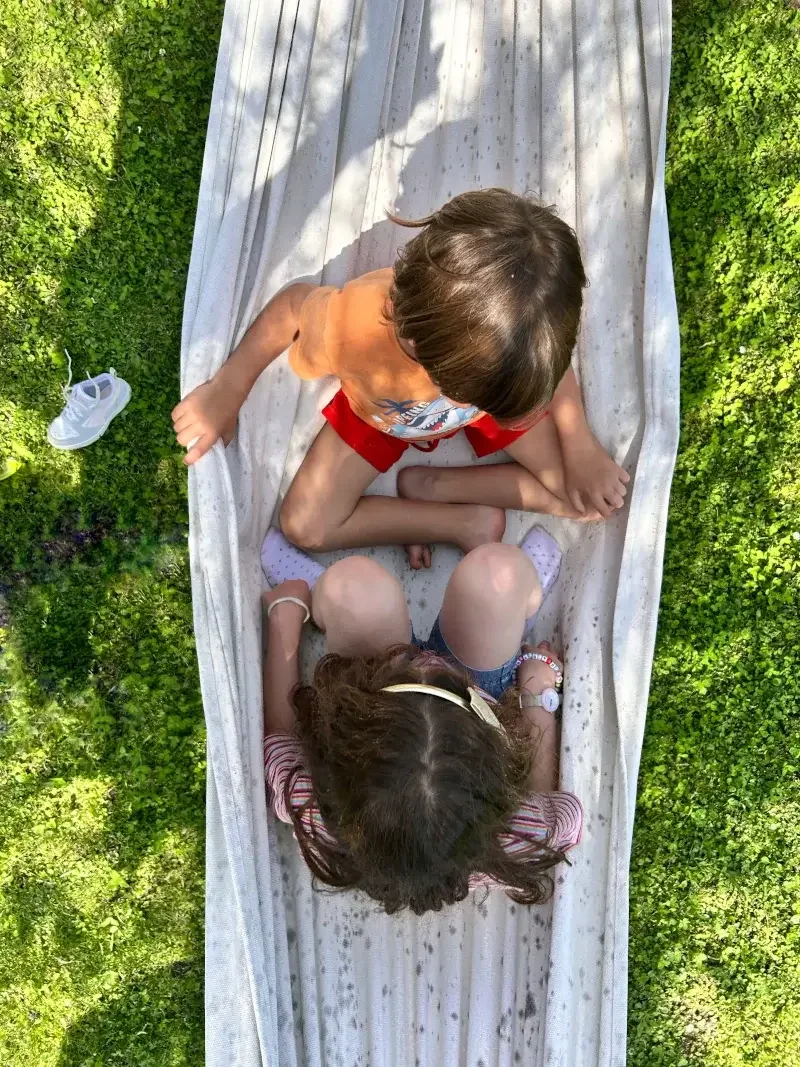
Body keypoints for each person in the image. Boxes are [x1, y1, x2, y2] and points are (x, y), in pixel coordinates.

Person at [173, 188, 629, 568]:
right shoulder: (356, 329)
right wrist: (227, 389)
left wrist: (580, 444)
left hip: (476, 400)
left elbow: (550, 365)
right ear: (412, 338)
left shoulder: (512, 340)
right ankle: (454, 520)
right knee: (304, 525)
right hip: (383, 413)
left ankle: (436, 485)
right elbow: (293, 308)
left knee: (577, 490)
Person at [260, 525, 582, 915]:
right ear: (497, 774)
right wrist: (535, 692)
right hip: (457, 687)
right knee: (499, 573)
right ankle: (513, 619)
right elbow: (547, 802)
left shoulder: (316, 806)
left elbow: (279, 738)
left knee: (352, 586)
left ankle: (329, 601)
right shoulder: (521, 836)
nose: (426, 666)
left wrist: (286, 615)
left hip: (372, 682)